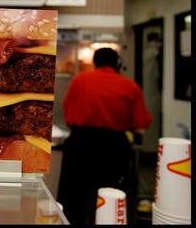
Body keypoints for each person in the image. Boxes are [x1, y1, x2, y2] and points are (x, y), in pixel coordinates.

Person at [57, 47, 152, 225]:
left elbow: (68, 112)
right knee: (108, 200)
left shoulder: (80, 80)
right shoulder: (129, 86)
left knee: (74, 196)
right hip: (113, 149)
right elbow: (141, 125)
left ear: (94, 62)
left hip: (80, 145)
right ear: (117, 63)